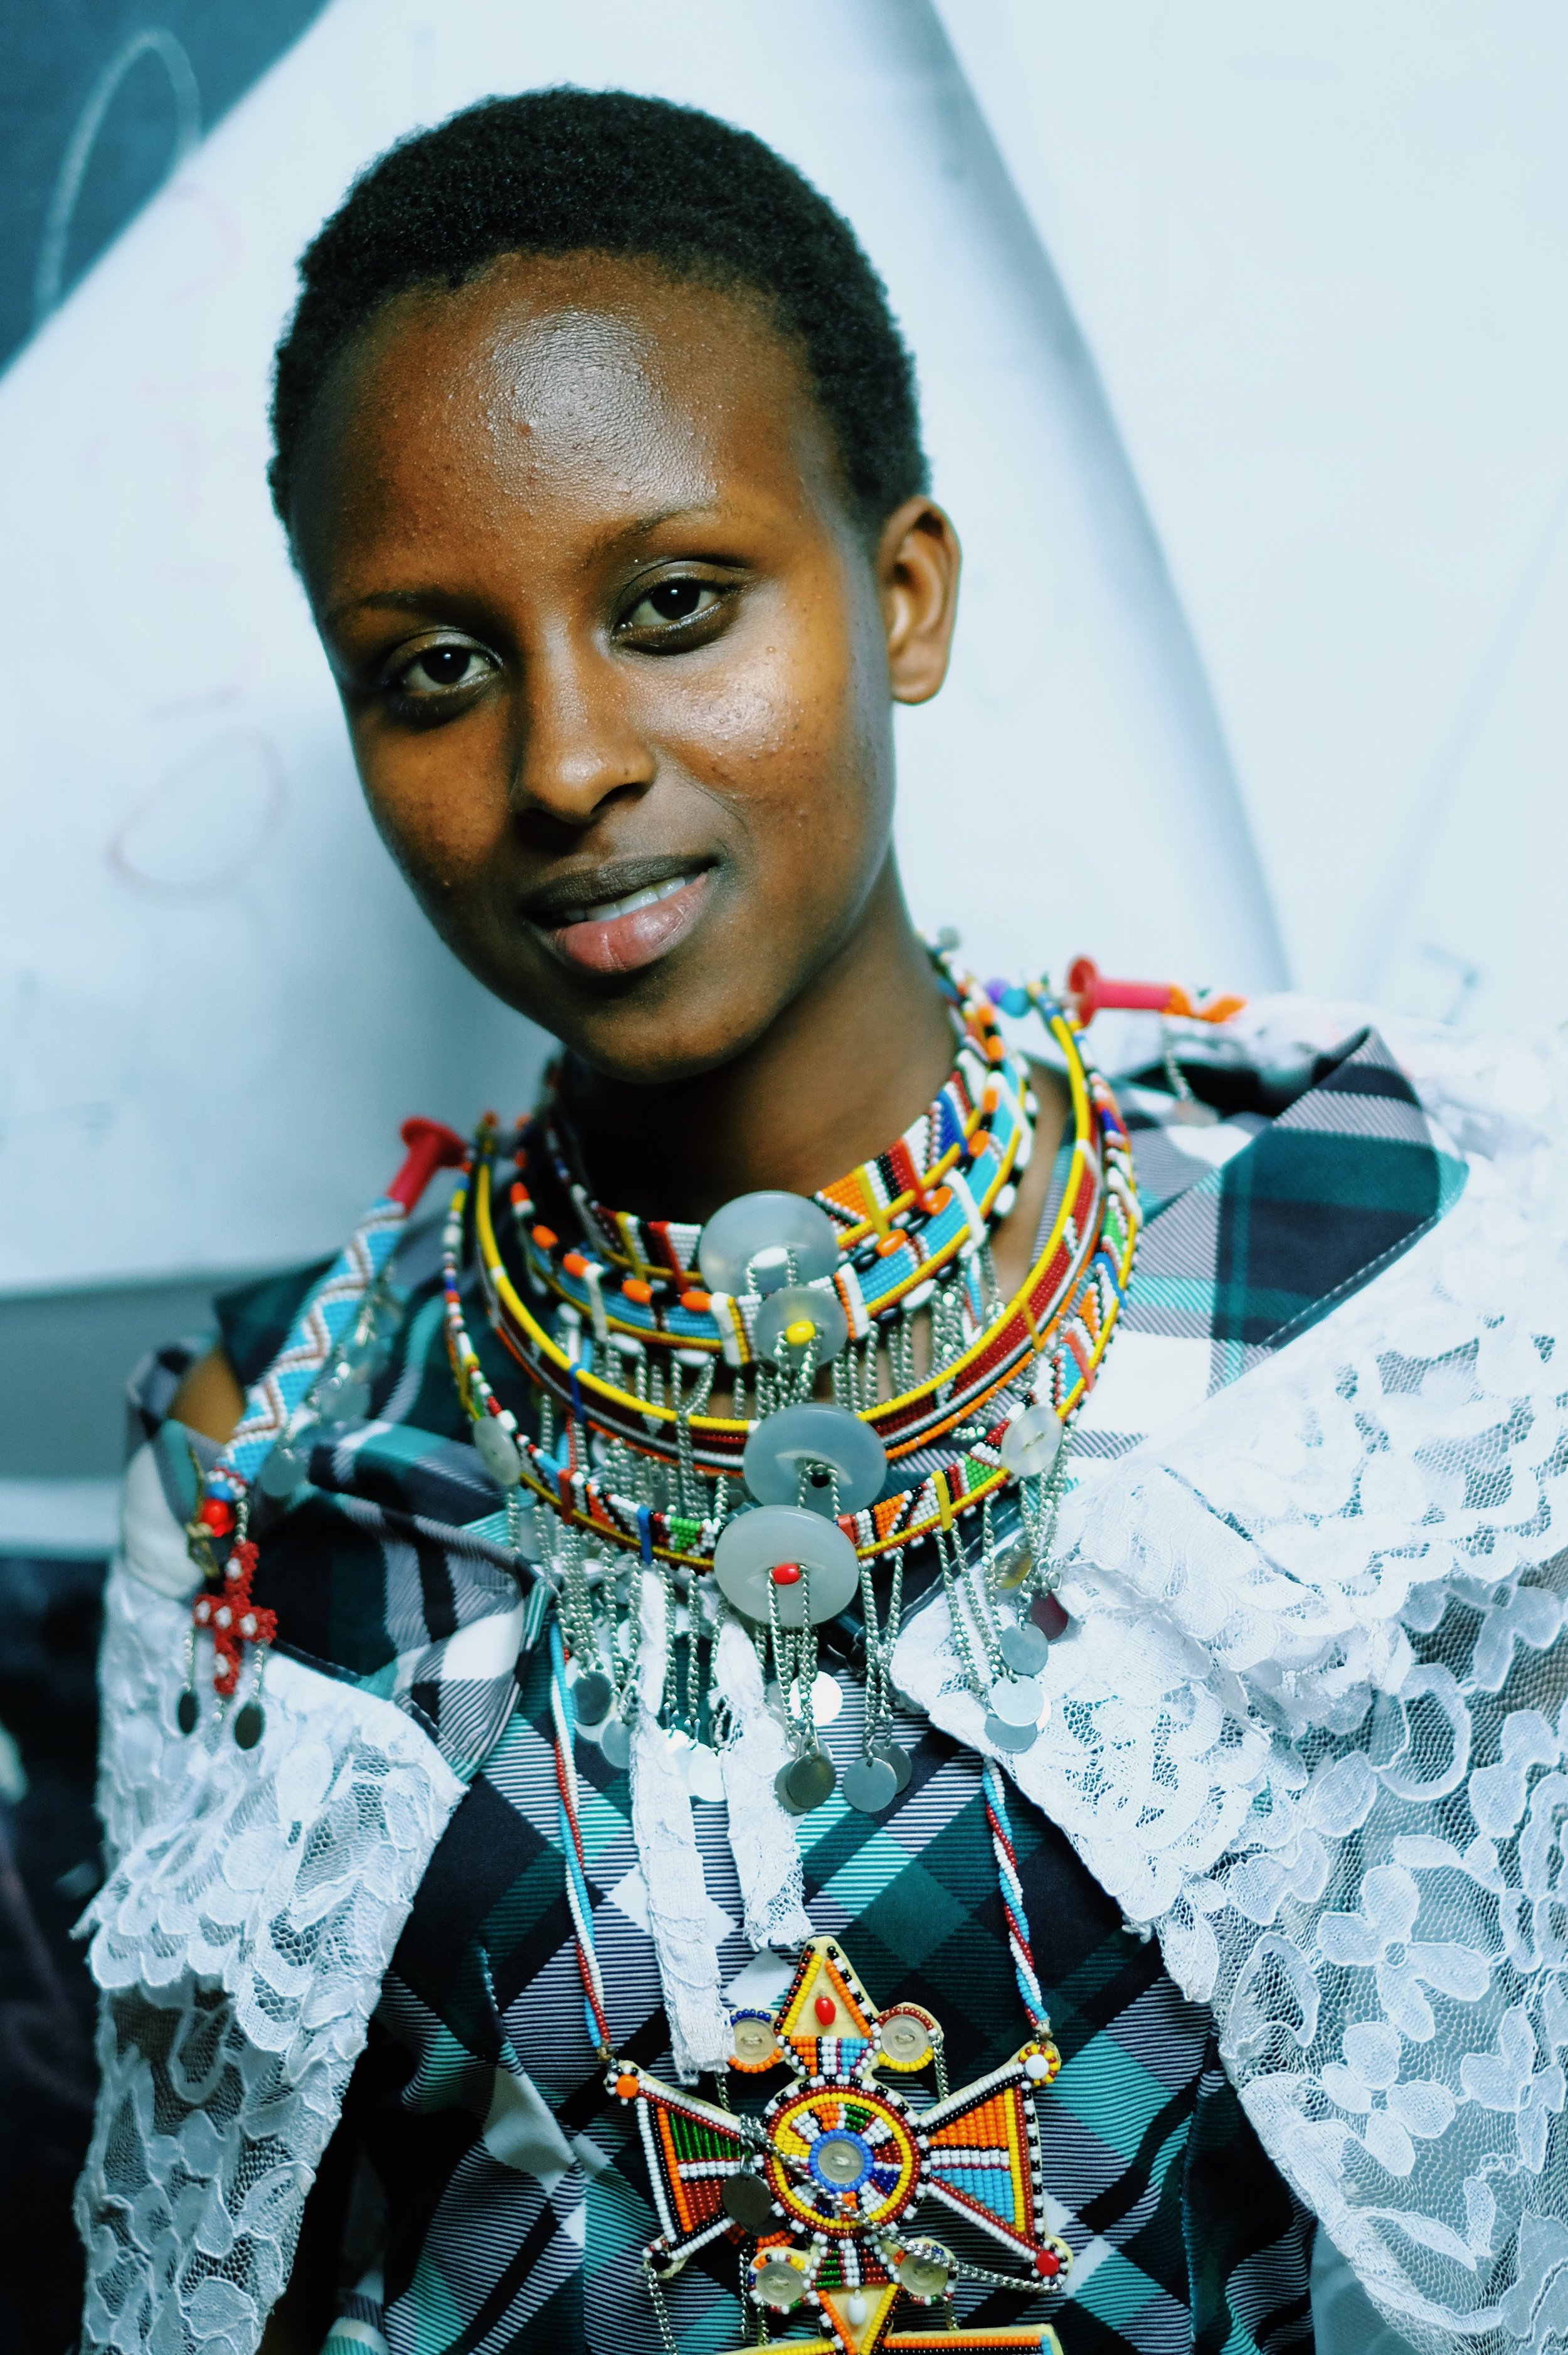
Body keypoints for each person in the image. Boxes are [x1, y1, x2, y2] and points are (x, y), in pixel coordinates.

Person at [74, 88, 1568, 2355]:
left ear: (901, 592)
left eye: (675, 606)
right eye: (435, 669)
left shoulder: (1388, 1263)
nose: (566, 759)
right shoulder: (270, 1456)